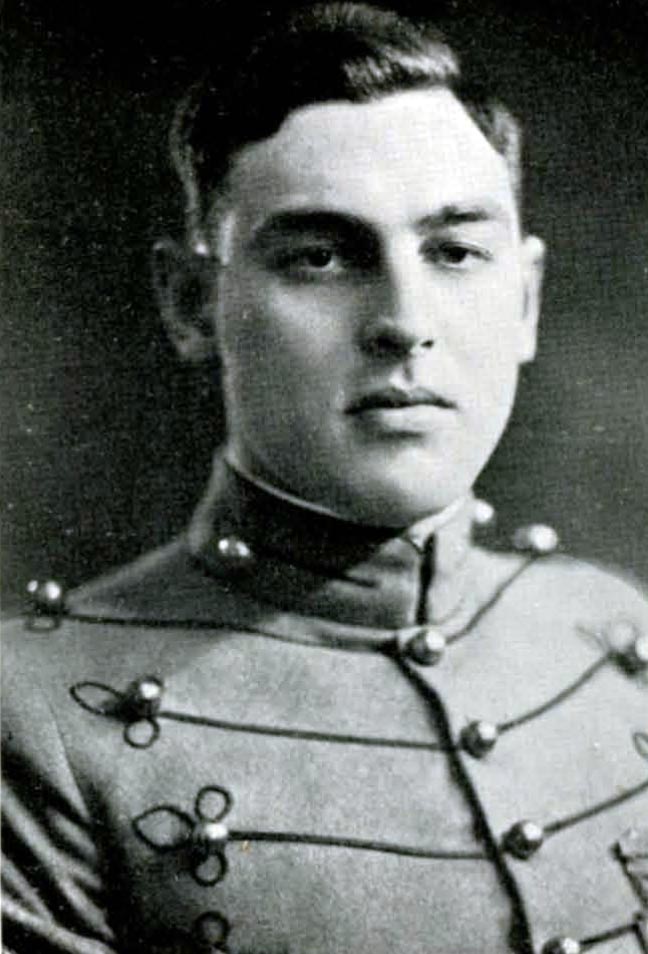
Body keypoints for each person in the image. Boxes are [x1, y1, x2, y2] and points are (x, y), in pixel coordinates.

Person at [3, 4, 647, 953]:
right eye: (320, 256)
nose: (404, 322)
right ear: (192, 305)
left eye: (455, 252)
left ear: (525, 300)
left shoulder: (616, 635)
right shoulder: (35, 725)